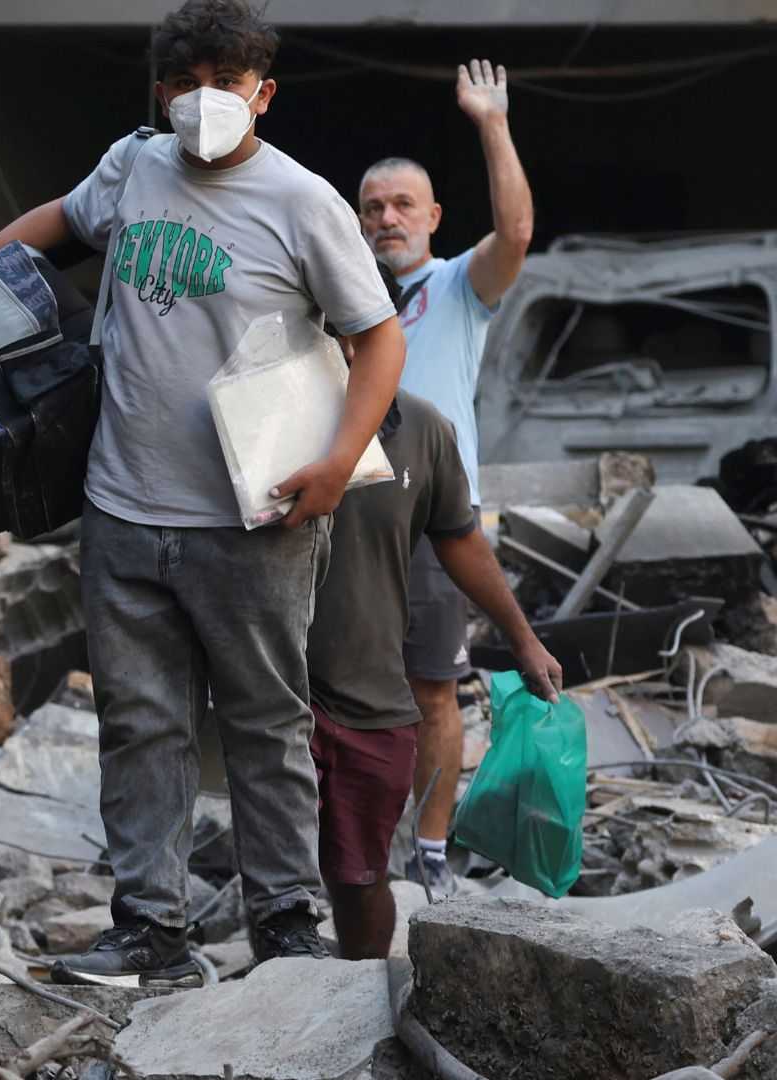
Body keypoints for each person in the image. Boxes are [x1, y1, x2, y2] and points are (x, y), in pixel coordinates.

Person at [0, 0, 405, 985]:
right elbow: (52, 224)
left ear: (265, 92)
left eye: (228, 81)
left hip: (254, 518)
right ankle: (149, 928)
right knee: (141, 723)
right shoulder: (133, 167)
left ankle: (287, 926)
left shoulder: (304, 204)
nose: (206, 100)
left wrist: (341, 459)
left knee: (265, 722)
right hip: (123, 508)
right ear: (161, 90)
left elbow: (378, 336)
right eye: (186, 82)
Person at [307, 274, 561, 961]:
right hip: (271, 694)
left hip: (369, 694)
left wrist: (522, 638)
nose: (344, 340)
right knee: (279, 891)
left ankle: (358, 1009)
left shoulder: (421, 428)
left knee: (359, 881)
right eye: (327, 320)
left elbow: (461, 541)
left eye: (361, 323)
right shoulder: (264, 417)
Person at [357, 59, 533, 896]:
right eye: (373, 208)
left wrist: (491, 123)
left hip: (436, 520)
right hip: (346, 513)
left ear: (433, 217)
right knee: (347, 690)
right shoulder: (342, 298)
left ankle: (429, 849)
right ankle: (359, 852)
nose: (387, 218)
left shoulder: (460, 285)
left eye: (402, 206)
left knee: (433, 689)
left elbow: (519, 233)